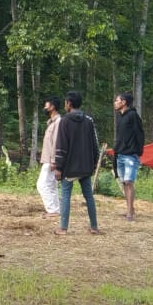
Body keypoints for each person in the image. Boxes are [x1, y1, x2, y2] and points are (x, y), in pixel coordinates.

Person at [53, 91, 100, 235]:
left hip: (69, 167)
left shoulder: (65, 121)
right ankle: (94, 227)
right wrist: (93, 164)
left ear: (69, 104)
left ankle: (63, 228)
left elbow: (61, 146)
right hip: (85, 166)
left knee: (66, 195)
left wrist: (58, 167)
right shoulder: (89, 121)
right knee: (89, 196)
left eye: (66, 102)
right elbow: (95, 145)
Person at [112, 91, 144, 221]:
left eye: (117, 100)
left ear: (123, 102)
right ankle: (129, 209)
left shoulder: (133, 116)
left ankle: (130, 212)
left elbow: (140, 134)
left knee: (129, 182)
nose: (115, 103)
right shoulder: (120, 116)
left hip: (130, 155)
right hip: (119, 154)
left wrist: (138, 151)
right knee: (124, 183)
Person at [36, 96, 62, 219]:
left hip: (51, 160)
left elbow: (57, 142)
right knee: (51, 185)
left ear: (52, 107)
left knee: (42, 185)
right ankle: (56, 209)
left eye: (46, 106)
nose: (44, 108)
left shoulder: (58, 122)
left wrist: (54, 161)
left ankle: (52, 210)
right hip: (49, 159)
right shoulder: (51, 122)